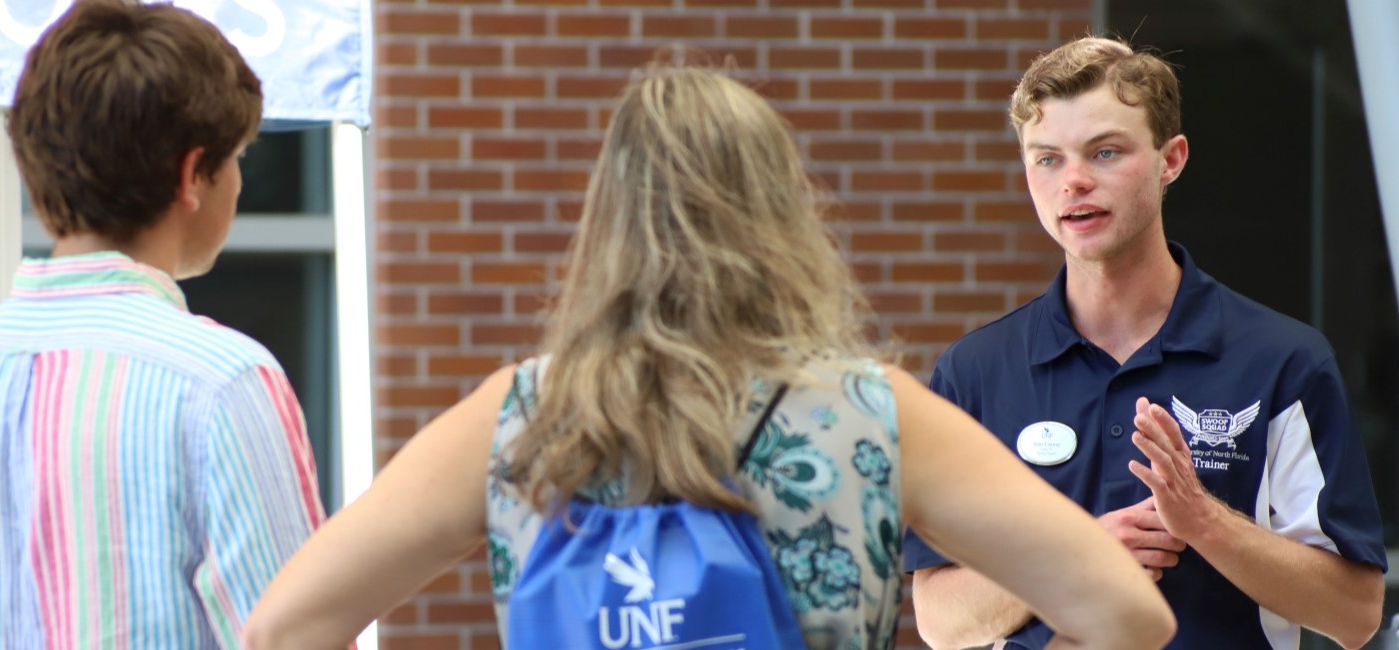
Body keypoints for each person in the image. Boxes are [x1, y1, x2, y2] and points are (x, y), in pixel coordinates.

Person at [242, 64, 1173, 650]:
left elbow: (286, 626)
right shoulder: (873, 414)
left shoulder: (518, 416)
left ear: (605, 223)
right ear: (783, 215)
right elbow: (1127, 615)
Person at [904, 36, 1387, 650]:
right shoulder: (975, 372)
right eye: (1046, 158)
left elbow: (1355, 613)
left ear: (1172, 159)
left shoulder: (1283, 361)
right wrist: (1077, 554)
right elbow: (940, 621)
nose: (1073, 181)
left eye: (1105, 152)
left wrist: (1206, 522)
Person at [0, 1, 325, 647]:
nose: (242, 183)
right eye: (239, 156)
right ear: (192, 174)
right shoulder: (221, 382)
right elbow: (296, 634)